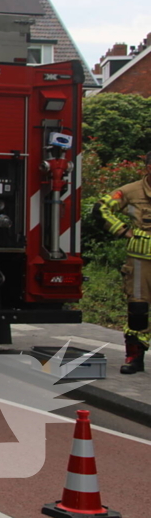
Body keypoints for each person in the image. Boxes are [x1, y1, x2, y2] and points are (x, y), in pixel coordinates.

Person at [94, 152, 151, 374]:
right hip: (139, 264)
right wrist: (122, 230)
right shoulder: (130, 191)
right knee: (138, 310)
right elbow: (101, 208)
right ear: (148, 168)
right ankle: (135, 358)